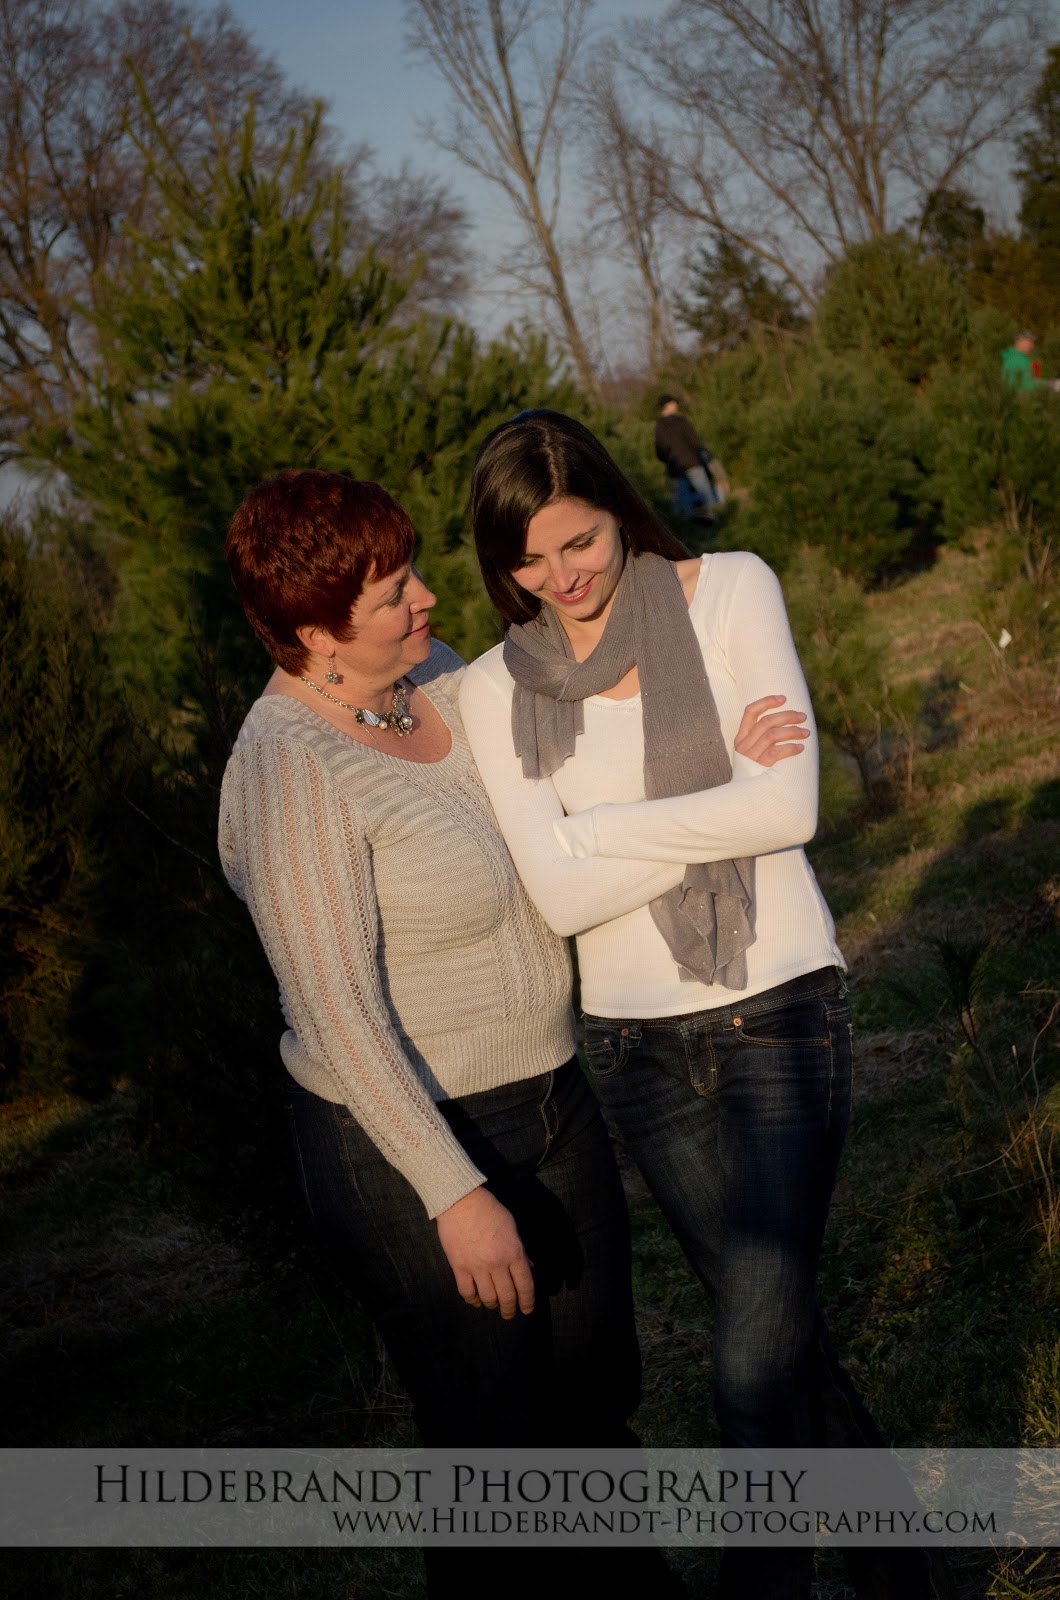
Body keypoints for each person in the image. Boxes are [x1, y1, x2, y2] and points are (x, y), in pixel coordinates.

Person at [459, 410, 954, 1600]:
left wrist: (594, 829)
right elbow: (556, 895)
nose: (560, 579)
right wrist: (714, 791)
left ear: (618, 511)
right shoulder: (491, 688)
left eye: (578, 543)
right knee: (777, 1334)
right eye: (527, 560)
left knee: (743, 1368)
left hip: (779, 1010)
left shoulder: (726, 590)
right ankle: (909, 1571)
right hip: (632, 1049)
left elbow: (787, 814)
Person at [217, 469, 672, 1596]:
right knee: (496, 1446)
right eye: (391, 594)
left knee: (591, 1404)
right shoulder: (290, 766)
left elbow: (572, 693)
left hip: (551, 1101)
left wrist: (732, 694)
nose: (427, 597)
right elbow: (334, 1010)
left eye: (412, 570)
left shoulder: (435, 683)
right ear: (316, 632)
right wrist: (453, 1192)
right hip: (407, 1141)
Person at [654, 394, 729, 520]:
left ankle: (687, 522)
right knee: (706, 493)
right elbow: (694, 442)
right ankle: (714, 518)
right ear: (668, 405)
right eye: (673, 403)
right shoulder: (681, 421)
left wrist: (668, 460)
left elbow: (659, 450)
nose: (676, 405)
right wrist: (701, 455)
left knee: (683, 498)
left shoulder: (659, 426)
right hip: (691, 462)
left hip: (675, 466)